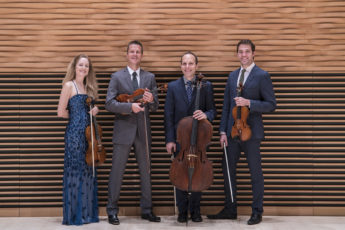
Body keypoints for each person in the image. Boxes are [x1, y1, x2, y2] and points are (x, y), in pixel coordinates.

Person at [207, 39, 276, 225]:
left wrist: (249, 103)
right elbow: (227, 105)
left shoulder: (262, 75)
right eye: (240, 52)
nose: (243, 55)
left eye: (247, 51)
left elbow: (271, 105)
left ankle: (257, 211)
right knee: (228, 171)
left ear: (254, 53)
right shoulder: (232, 76)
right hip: (231, 132)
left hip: (251, 132)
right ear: (237, 54)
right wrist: (222, 131)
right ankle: (230, 208)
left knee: (255, 173)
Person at [105, 40, 160, 225]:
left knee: (146, 172)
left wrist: (151, 99)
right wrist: (130, 107)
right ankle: (112, 210)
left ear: (142, 55)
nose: (135, 54)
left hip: (143, 131)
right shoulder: (116, 77)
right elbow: (109, 103)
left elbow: (155, 107)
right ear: (127, 54)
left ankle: (147, 210)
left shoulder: (149, 77)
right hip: (123, 131)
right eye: (132, 51)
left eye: (138, 52)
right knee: (117, 172)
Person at [164, 51, 217, 223]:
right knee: (180, 173)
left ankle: (195, 210)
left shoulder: (206, 86)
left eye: (191, 63)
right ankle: (182, 210)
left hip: (198, 140)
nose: (187, 67)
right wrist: (170, 139)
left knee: (198, 173)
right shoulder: (172, 87)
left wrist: (206, 115)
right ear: (181, 66)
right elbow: (168, 115)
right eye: (184, 63)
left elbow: (213, 111)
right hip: (182, 139)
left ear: (196, 66)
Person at [57, 54, 100, 225]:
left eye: (86, 66)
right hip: (75, 135)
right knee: (75, 172)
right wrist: (78, 115)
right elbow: (60, 112)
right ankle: (75, 215)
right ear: (75, 67)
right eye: (81, 65)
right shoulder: (69, 85)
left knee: (88, 172)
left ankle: (86, 214)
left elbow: (89, 110)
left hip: (89, 136)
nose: (83, 68)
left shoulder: (88, 88)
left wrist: (94, 110)